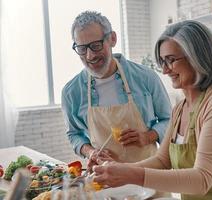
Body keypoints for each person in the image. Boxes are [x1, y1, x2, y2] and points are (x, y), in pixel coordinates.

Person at [92, 20, 212, 200]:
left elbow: (202, 179)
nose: (165, 70)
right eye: (162, 61)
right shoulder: (180, 108)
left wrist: (130, 174)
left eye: (171, 60)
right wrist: (118, 169)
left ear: (196, 57)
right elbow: (162, 160)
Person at [61, 11, 171, 170]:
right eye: (82, 48)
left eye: (96, 45)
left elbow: (169, 120)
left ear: (112, 38)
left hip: (149, 174)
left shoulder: (146, 77)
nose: (90, 55)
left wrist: (148, 137)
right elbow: (74, 134)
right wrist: (90, 152)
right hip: (105, 177)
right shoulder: (71, 92)